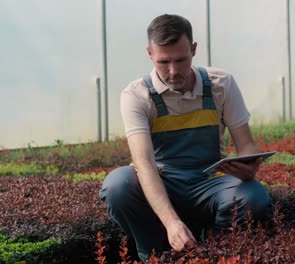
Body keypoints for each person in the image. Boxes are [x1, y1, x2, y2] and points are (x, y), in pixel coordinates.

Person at [99, 14, 270, 262]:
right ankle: (156, 254)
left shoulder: (221, 84)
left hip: (209, 182)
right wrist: (171, 223)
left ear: (194, 49)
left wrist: (248, 166)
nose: (173, 71)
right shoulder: (136, 95)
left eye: (181, 60)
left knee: (253, 196)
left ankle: (213, 251)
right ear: (149, 53)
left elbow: (246, 144)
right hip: (163, 182)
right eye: (163, 62)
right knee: (118, 185)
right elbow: (144, 163)